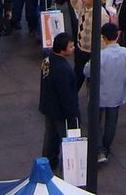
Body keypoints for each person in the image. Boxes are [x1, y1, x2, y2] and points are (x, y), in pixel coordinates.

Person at [82, 22, 126, 164]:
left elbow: (86, 71)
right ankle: (106, 148)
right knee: (111, 123)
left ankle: (98, 149)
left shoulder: (100, 55)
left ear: (104, 38)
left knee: (95, 121)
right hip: (117, 93)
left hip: (99, 93)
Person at [38, 33, 80, 174]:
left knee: (50, 137)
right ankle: (68, 169)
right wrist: (73, 115)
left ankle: (47, 162)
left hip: (48, 106)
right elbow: (67, 96)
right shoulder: (64, 70)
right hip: (61, 112)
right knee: (67, 140)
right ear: (62, 49)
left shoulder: (47, 59)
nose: (73, 48)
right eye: (71, 46)